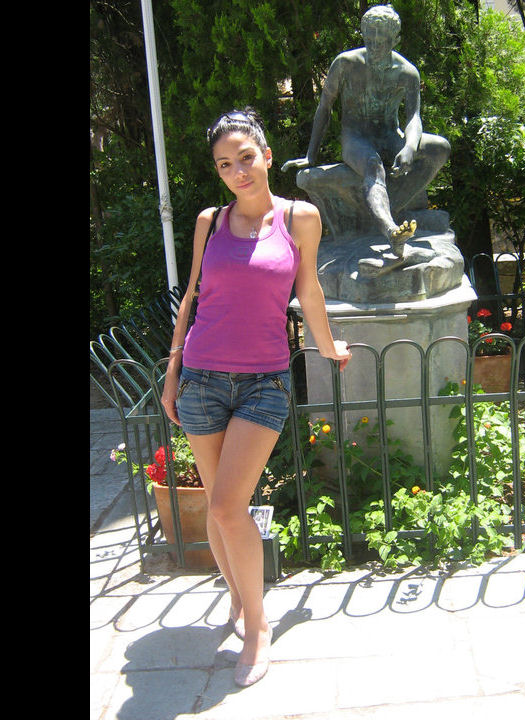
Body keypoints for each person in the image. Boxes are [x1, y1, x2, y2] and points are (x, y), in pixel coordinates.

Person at [161, 107, 351, 687]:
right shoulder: (210, 221)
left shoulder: (299, 218)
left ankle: (258, 626)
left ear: (267, 157)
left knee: (226, 507)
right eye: (225, 164)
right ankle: (240, 598)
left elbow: (309, 290)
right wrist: (172, 373)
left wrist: (328, 347)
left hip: (263, 382)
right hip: (200, 377)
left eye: (246, 158)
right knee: (220, 511)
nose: (238, 171)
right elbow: (192, 296)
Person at [281, 4, 450, 257]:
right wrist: (310, 155)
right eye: (369, 39)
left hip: (390, 136)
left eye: (381, 41)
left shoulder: (407, 73)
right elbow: (325, 107)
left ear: (395, 40)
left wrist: (409, 146)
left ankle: (387, 206)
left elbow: (413, 117)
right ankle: (391, 231)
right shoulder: (346, 63)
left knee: (440, 148)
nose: (374, 46)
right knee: (373, 166)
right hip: (356, 139)